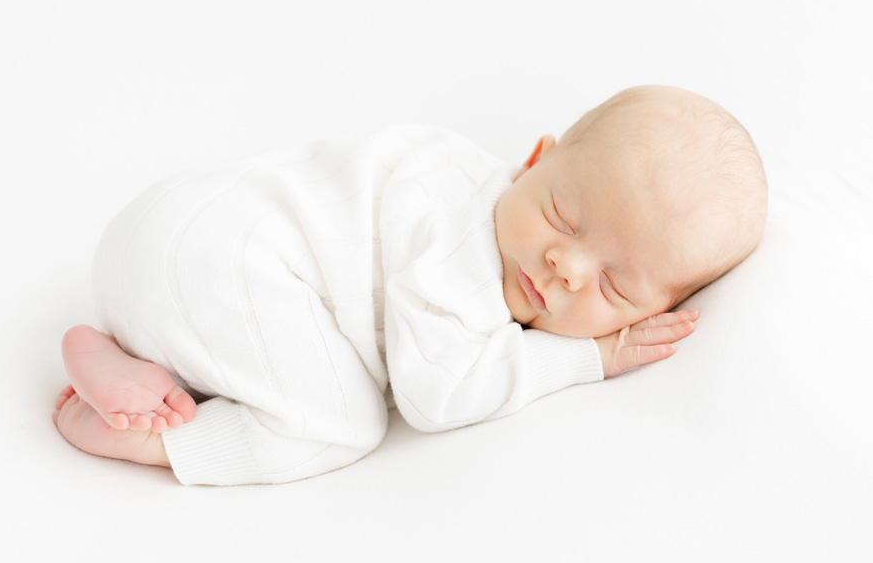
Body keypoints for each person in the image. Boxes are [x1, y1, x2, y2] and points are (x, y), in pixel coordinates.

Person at [53, 85, 767, 485]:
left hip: (163, 227)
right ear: (533, 161)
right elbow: (436, 395)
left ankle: (131, 358)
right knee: (339, 424)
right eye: (562, 216)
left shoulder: (446, 164)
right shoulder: (461, 254)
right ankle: (143, 438)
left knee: (287, 352)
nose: (566, 267)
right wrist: (590, 356)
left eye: (613, 285)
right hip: (222, 266)